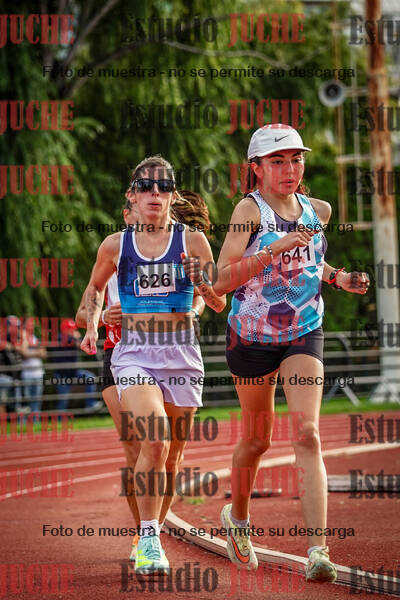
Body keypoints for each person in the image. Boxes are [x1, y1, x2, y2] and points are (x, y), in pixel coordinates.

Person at [213, 124, 369, 582]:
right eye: (278, 161)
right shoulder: (248, 211)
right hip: (251, 337)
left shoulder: (318, 210)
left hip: (303, 330)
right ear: (257, 168)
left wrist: (338, 278)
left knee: (308, 433)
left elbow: (311, 260)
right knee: (258, 440)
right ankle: (237, 519)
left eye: (297, 159)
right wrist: (272, 249)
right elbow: (220, 280)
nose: (290, 169)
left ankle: (319, 551)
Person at [80, 155, 226, 575]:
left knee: (173, 457)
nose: (155, 193)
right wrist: (92, 324)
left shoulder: (193, 242)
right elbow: (93, 290)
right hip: (133, 356)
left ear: (173, 195)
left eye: (163, 186)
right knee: (155, 442)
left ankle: (152, 531)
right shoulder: (115, 245)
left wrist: (201, 287)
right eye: (146, 186)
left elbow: (218, 301)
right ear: (132, 195)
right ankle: (148, 540)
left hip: (181, 356)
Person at [51, 319, 100, 411]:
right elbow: (69, 342)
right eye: (70, 329)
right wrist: (76, 338)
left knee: (90, 378)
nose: (73, 331)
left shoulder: (73, 339)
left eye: (73, 329)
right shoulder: (59, 338)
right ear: (64, 330)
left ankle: (90, 404)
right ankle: (59, 417)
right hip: (61, 374)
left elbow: (81, 345)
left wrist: (76, 339)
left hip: (74, 372)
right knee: (63, 400)